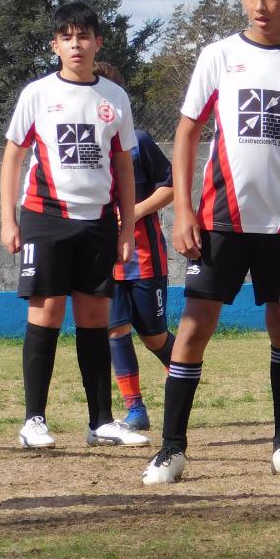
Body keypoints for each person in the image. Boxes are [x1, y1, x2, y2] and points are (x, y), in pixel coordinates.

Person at [143, 0, 280, 484]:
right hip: (218, 220)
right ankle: (171, 449)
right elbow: (185, 133)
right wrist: (182, 211)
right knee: (194, 327)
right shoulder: (219, 56)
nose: (260, 6)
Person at [0, 3, 148, 452]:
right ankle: (34, 421)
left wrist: (125, 228)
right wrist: (9, 219)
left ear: (97, 42)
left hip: (99, 222)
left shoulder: (115, 99)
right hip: (45, 218)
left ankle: (101, 421)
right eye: (67, 37)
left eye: (84, 36)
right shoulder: (38, 94)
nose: (76, 45)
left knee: (95, 318)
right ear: (55, 46)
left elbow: (123, 166)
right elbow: (13, 157)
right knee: (46, 313)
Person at [94, 62, 176, 432]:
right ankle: (135, 409)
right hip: (102, 260)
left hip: (145, 259)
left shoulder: (140, 142)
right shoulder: (81, 148)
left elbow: (171, 186)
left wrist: (134, 212)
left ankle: (184, 373)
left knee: (154, 335)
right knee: (115, 330)